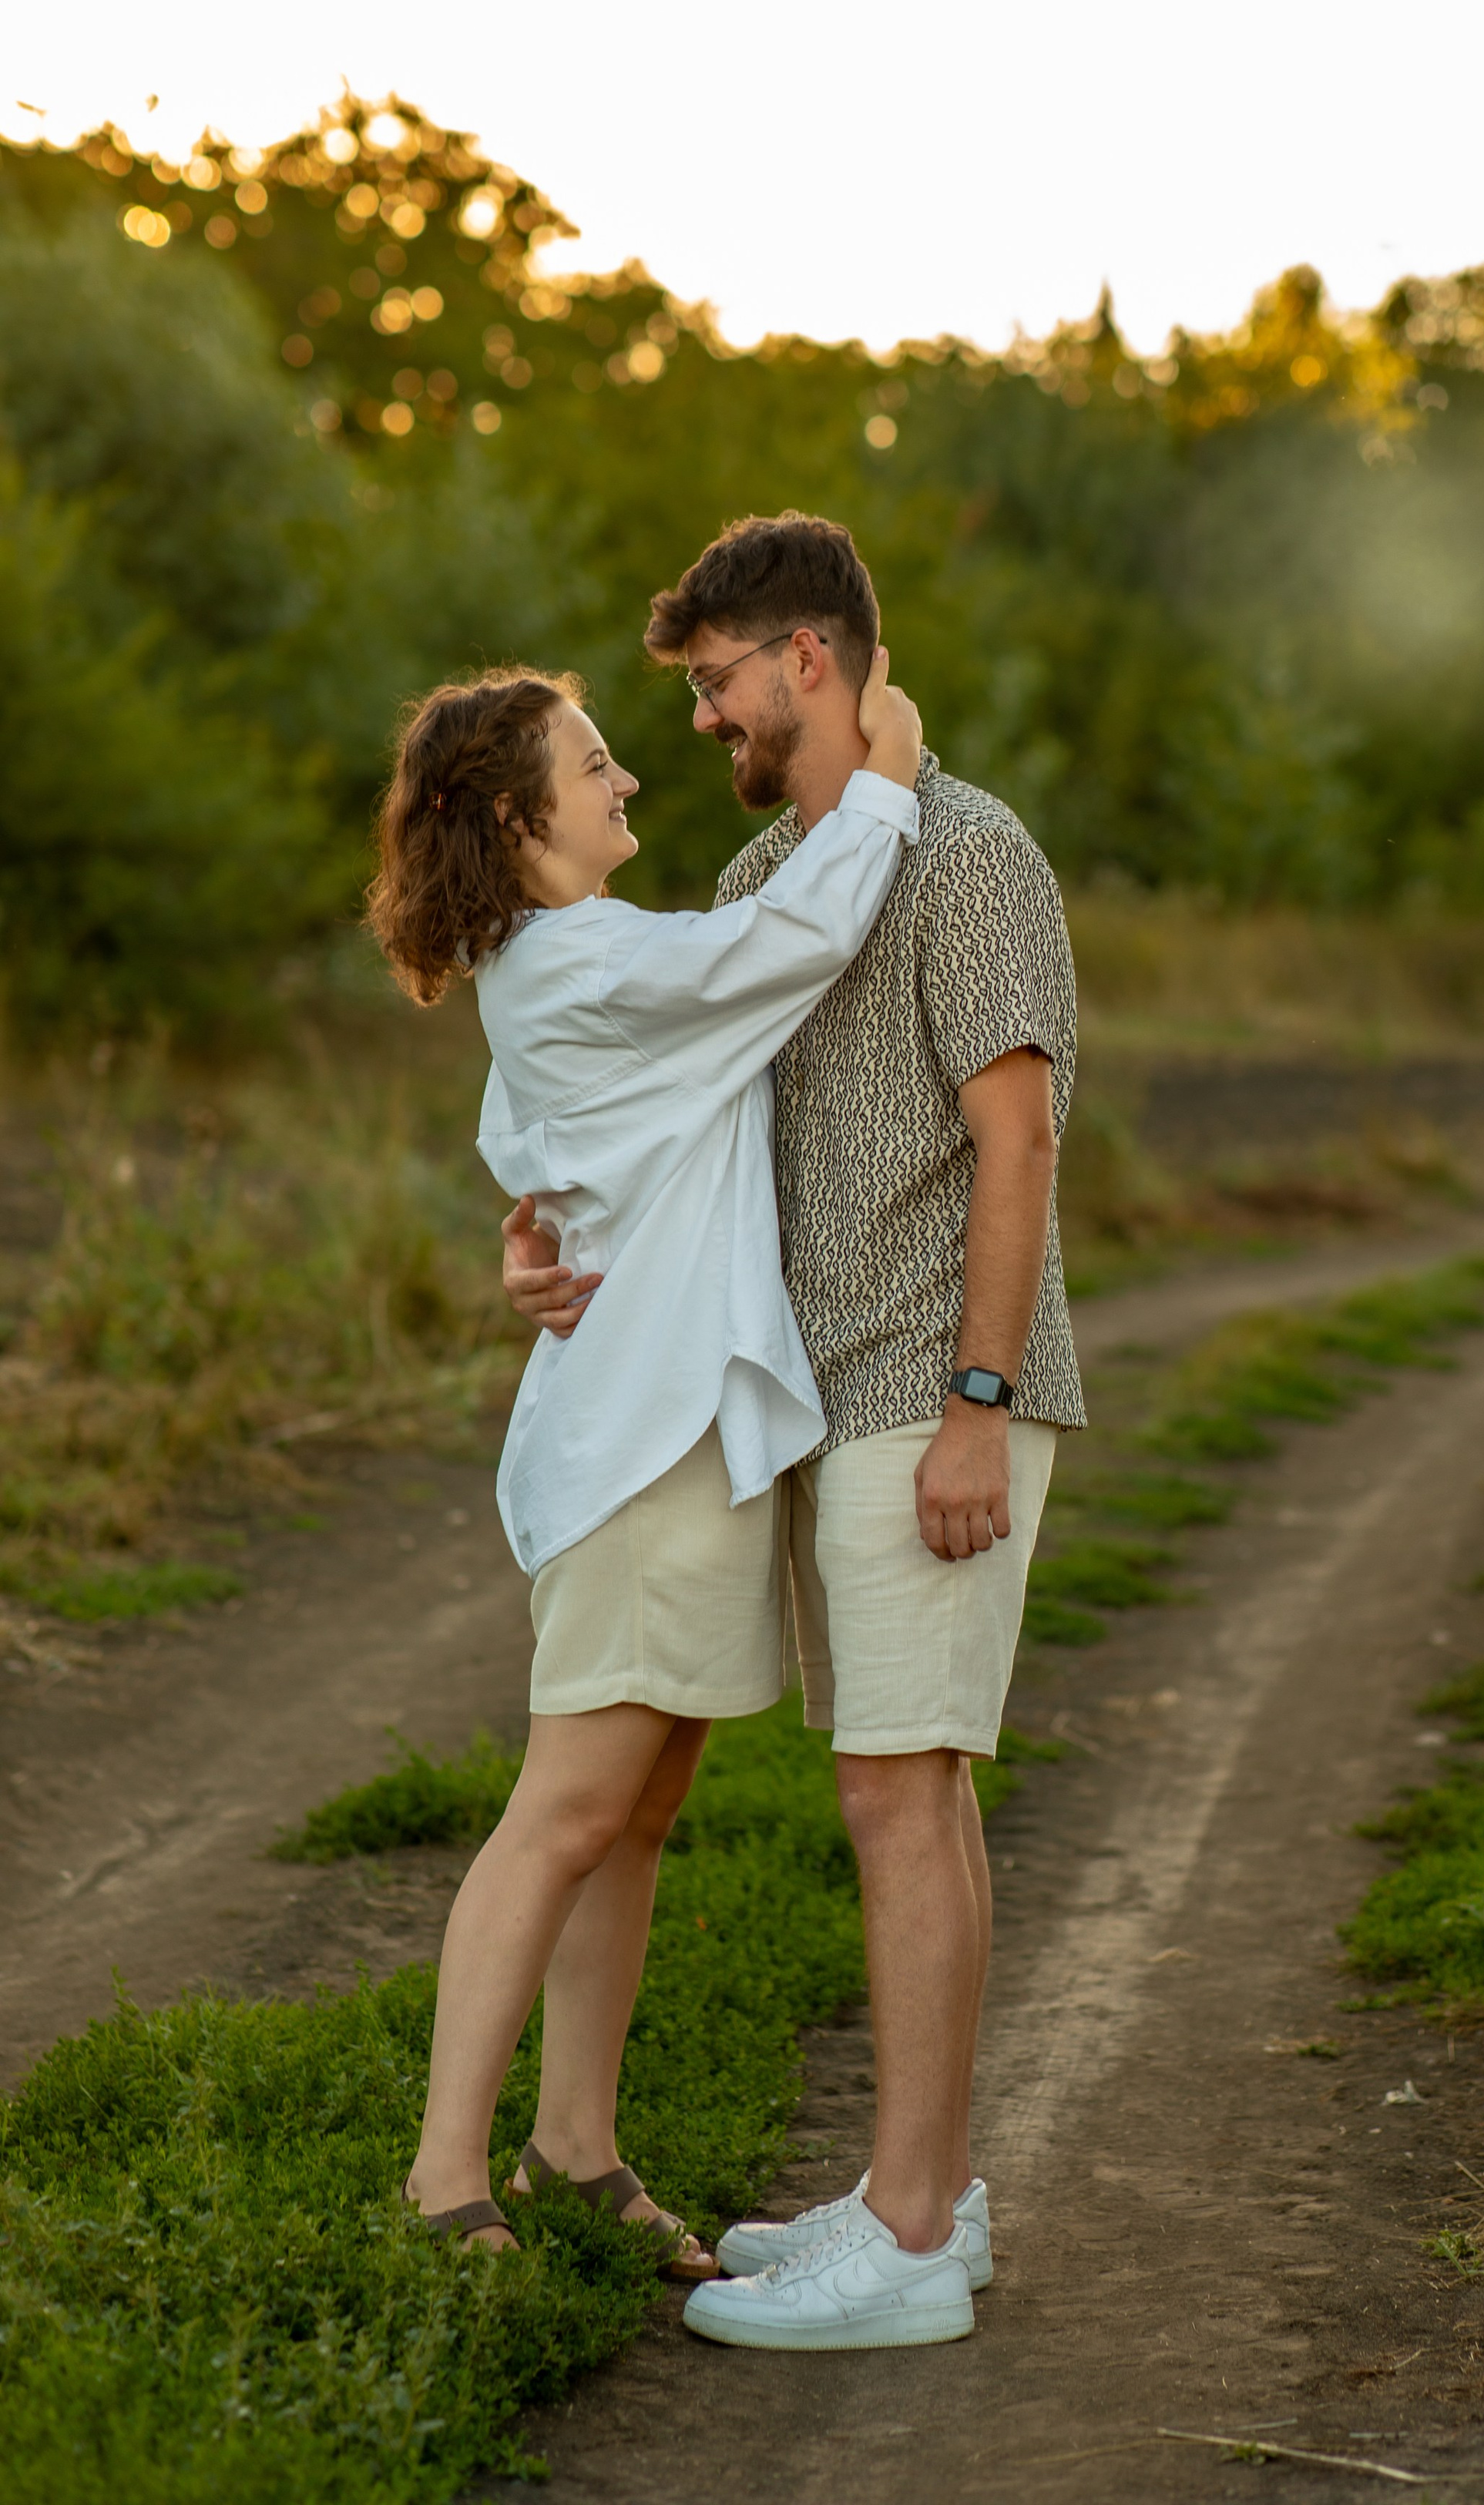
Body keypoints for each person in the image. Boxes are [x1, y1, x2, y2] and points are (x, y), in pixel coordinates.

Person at [504, 511, 1084, 2350]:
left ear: (807, 664)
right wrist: (542, 1234)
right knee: (914, 1781)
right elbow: (650, 1090)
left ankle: (907, 2245)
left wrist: (977, 1406)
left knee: (891, 1790)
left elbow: (1018, 1140)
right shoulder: (789, 865)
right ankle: (924, 2198)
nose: (694, 721)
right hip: (837, 1401)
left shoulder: (969, 854)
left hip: (932, 1383)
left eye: (712, 683)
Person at [364, 648, 927, 2281]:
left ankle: (576, 2147)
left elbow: (558, 1159)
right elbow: (792, 941)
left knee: (640, 1808)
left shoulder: (566, 961)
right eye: (595, 762)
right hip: (637, 1442)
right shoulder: (582, 957)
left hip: (673, 1424)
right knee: (569, 1808)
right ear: (512, 811)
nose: (627, 781)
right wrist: (881, 772)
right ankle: (443, 2182)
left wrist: (529, 1237)